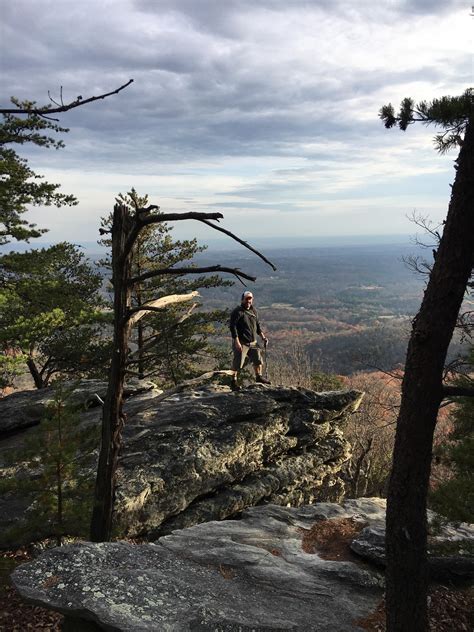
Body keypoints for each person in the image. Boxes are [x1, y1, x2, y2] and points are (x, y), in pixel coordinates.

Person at [229, 291, 271, 390]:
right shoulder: (237, 312)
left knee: (258, 360)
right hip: (242, 343)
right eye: (247, 298)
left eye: (250, 298)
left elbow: (257, 326)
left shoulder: (253, 311)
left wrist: (263, 337)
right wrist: (237, 342)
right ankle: (233, 382)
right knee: (237, 363)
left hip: (253, 342)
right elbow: (233, 327)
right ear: (242, 299)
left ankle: (258, 377)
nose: (249, 300)